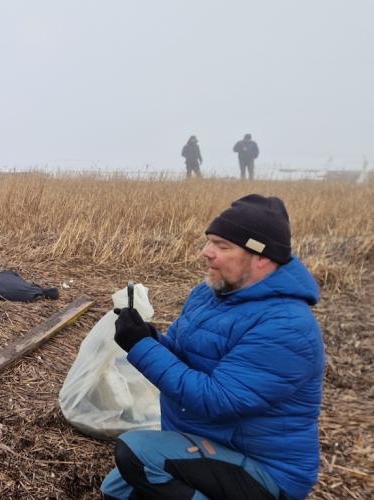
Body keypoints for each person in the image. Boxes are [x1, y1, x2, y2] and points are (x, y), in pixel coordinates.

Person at [100, 194, 324, 499]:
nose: (207, 253)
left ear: (262, 257)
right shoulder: (209, 295)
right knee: (116, 490)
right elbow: (183, 358)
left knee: (138, 454)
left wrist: (141, 347)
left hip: (265, 470)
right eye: (209, 242)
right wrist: (149, 338)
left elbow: (219, 399)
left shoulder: (286, 325)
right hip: (214, 443)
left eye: (222, 246)